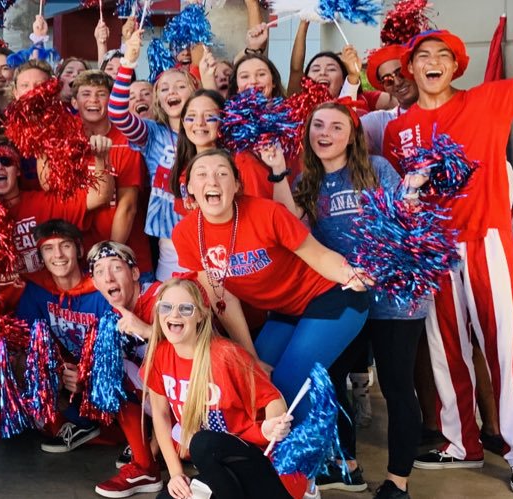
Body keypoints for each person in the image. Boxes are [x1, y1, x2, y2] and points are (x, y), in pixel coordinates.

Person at [380, 29, 513, 494]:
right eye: (422, 56)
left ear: (455, 66)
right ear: (410, 70)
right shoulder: (396, 130)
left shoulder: (489, 99)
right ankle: (460, 443)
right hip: (431, 250)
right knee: (443, 349)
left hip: (485, 241)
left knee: (504, 349)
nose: (432, 62)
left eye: (443, 56)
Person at [276, 102, 420, 497]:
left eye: (336, 126)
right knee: (332, 381)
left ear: (353, 134)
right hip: (341, 298)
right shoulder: (306, 180)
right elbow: (295, 232)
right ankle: (348, 465)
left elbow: (406, 223)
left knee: (396, 386)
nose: (325, 133)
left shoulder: (377, 169)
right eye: (317, 125)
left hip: (393, 297)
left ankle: (397, 481)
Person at [170, 148, 372, 401]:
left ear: (236, 184)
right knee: (255, 381)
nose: (212, 181)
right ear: (190, 188)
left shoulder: (267, 213)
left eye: (222, 173)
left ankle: (317, 441)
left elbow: (319, 255)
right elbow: (224, 300)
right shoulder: (186, 234)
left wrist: (350, 275)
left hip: (331, 297)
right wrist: (251, 359)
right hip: (285, 311)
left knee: (290, 384)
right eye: (201, 174)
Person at [142, 278, 298, 499]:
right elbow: (160, 414)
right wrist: (176, 474)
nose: (174, 315)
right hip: (218, 471)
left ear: (201, 315)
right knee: (166, 498)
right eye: (166, 307)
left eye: (185, 308)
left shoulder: (225, 354)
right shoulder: (160, 355)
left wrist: (274, 428)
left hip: (254, 464)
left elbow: (273, 399)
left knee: (202, 443)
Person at [17, 220, 116, 454]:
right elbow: (25, 341)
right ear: (40, 256)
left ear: (79, 250)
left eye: (65, 246)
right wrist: (58, 370)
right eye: (48, 248)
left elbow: (120, 348)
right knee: (20, 361)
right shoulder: (37, 289)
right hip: (66, 374)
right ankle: (76, 423)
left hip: (103, 373)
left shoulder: (101, 287)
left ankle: (124, 433)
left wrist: (87, 373)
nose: (58, 255)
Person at [108, 26, 197, 280]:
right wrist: (128, 63)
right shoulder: (151, 133)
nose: (172, 92)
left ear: (194, 92)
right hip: (169, 244)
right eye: (165, 88)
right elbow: (117, 113)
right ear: (158, 99)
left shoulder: (208, 130)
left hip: (208, 235)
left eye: (180, 86)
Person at [85, 241, 167, 498]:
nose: (108, 276)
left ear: (133, 273)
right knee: (108, 368)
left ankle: (169, 448)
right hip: (162, 403)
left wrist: (146, 330)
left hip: (199, 402)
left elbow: (201, 351)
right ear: (95, 283)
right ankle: (144, 466)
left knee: (192, 452)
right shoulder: (107, 313)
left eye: (116, 267)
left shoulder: (163, 296)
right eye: (99, 271)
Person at [0, 136, 110, 274]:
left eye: (6, 161)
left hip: (50, 291)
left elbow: (99, 196)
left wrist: (100, 159)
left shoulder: (42, 203)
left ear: (18, 170)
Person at [73, 70, 151, 274]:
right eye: (86, 93)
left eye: (101, 94)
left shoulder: (126, 140)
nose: (93, 100)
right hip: (80, 259)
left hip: (126, 257)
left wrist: (110, 258)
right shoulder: (67, 141)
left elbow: (128, 206)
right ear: (74, 102)